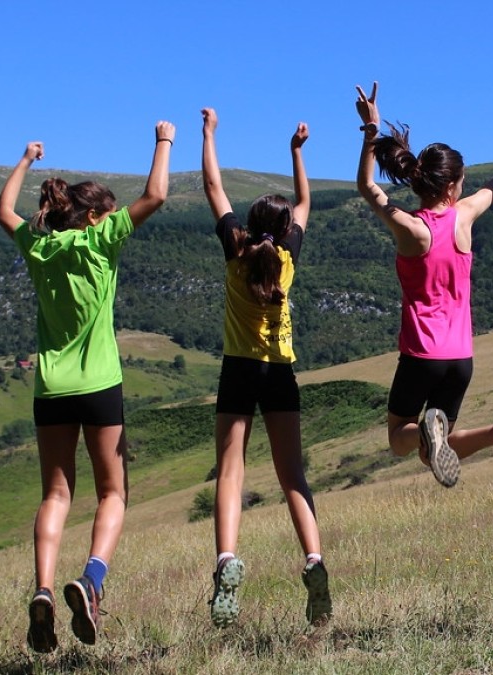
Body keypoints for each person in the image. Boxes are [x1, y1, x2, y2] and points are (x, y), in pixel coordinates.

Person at [0, 121, 175, 651]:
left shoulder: (40, 246)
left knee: (55, 493)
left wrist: (25, 160)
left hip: (50, 388)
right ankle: (91, 582)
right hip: (100, 385)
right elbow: (157, 194)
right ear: (96, 216)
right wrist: (164, 139)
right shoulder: (100, 241)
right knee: (113, 491)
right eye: (110, 210)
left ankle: (45, 590)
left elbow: (3, 213)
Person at [354, 81, 493, 488]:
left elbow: (367, 187)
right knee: (438, 445)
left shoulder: (411, 229)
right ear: (454, 186)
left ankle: (428, 430)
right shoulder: (465, 216)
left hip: (422, 354)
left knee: (402, 439)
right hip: (460, 358)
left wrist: (371, 130)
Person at [200, 108, 331, 627]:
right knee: (292, 475)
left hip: (237, 369)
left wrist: (209, 133)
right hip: (280, 372)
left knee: (230, 473)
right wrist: (297, 150)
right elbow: (304, 202)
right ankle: (315, 559)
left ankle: (227, 561)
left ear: (247, 226)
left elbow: (213, 184)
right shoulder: (287, 260)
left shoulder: (237, 254)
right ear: (282, 230)